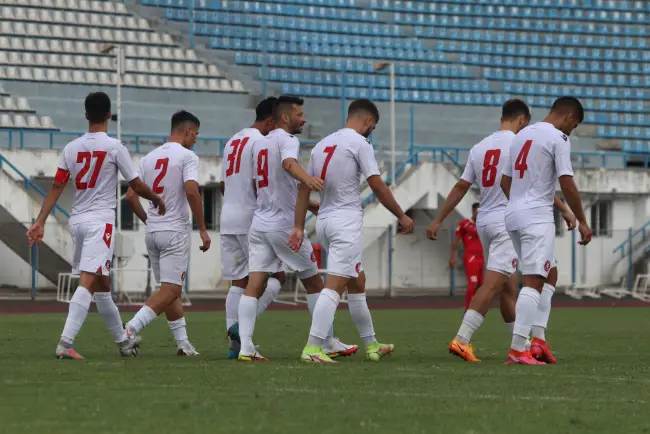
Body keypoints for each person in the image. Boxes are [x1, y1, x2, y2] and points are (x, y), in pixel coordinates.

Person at [426, 99, 577, 362]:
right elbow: (530, 186)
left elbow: (461, 187)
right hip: (507, 221)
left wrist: (438, 219)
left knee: (508, 288)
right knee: (496, 282)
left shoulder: (479, 147)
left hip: (483, 220)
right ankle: (462, 339)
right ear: (521, 120)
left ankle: (524, 343)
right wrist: (564, 209)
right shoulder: (520, 143)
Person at [26, 91, 165, 359]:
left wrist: (40, 221)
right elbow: (135, 185)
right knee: (89, 281)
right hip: (100, 223)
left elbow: (57, 186)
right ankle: (65, 343)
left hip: (77, 221)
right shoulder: (115, 146)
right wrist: (156, 198)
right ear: (109, 115)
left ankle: (124, 342)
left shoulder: (71, 148)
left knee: (102, 284)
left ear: (86, 115)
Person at [289, 98, 415, 363]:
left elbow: (304, 188)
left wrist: (300, 226)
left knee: (357, 281)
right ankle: (313, 348)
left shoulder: (321, 145)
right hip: (346, 221)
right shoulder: (360, 143)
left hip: (324, 220)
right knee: (334, 287)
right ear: (368, 121)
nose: (372, 131)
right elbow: (377, 185)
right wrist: (401, 215)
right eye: (373, 126)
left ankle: (371, 345)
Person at [237, 95, 356, 361]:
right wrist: (309, 179)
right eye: (300, 114)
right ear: (286, 117)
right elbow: (288, 166)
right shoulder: (287, 139)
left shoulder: (259, 143)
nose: (304, 119)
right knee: (314, 281)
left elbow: (266, 184)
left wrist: (307, 203)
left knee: (254, 283)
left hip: (260, 223)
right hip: (282, 225)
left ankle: (246, 347)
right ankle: (325, 342)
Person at [500, 96, 592, 365]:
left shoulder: (521, 135)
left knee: (550, 272)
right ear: (570, 118)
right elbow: (567, 183)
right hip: (536, 217)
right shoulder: (558, 139)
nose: (571, 131)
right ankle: (518, 349)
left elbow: (505, 181)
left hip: (514, 214)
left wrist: (519, 203)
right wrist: (582, 220)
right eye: (573, 127)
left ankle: (538, 340)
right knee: (535, 280)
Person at [123, 110, 208, 356]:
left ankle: (183, 344)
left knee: (170, 291)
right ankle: (129, 329)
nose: (196, 140)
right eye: (196, 135)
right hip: (174, 232)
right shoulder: (188, 156)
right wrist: (202, 228)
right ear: (189, 131)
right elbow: (192, 192)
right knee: (171, 290)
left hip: (153, 233)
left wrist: (149, 221)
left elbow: (131, 196)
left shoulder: (148, 158)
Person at [219, 97, 288, 359]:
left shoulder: (232, 141)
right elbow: (264, 183)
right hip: (252, 219)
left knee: (239, 280)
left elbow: (224, 185)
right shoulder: (260, 142)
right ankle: (239, 329)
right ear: (270, 119)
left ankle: (233, 347)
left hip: (228, 217)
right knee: (275, 277)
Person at [450, 202, 484, 311]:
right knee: (472, 284)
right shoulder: (464, 224)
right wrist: (452, 257)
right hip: (471, 257)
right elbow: (455, 241)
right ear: (473, 211)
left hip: (482, 258)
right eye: (477, 211)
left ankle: (477, 308)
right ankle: (468, 309)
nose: (478, 214)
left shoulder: (483, 225)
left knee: (480, 285)